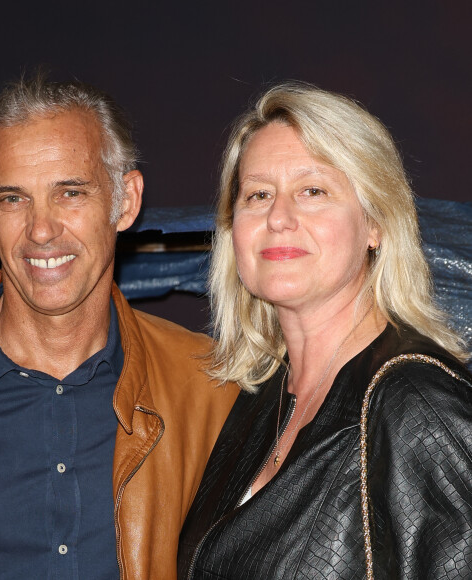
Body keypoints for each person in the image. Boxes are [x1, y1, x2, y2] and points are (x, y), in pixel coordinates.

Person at [0, 75, 238, 580]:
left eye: (70, 193)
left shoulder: (211, 391)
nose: (41, 230)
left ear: (126, 200)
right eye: (13, 199)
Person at [178, 82, 472, 579]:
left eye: (312, 191)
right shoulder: (258, 400)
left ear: (375, 223)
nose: (278, 217)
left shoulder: (417, 405)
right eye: (258, 194)